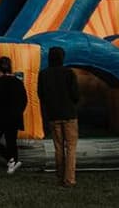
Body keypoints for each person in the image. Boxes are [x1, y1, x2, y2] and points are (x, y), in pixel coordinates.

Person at [37, 45, 79, 188]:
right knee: (71, 147)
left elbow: (40, 95)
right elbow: (75, 95)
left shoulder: (43, 74)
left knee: (59, 147)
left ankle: (60, 177)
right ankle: (69, 179)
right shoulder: (69, 73)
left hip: (53, 115)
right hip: (69, 114)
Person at [0, 56, 26, 174]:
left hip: (0, 117)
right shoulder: (18, 82)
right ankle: (13, 161)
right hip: (14, 117)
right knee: (11, 141)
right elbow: (24, 100)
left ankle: (10, 159)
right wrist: (18, 112)